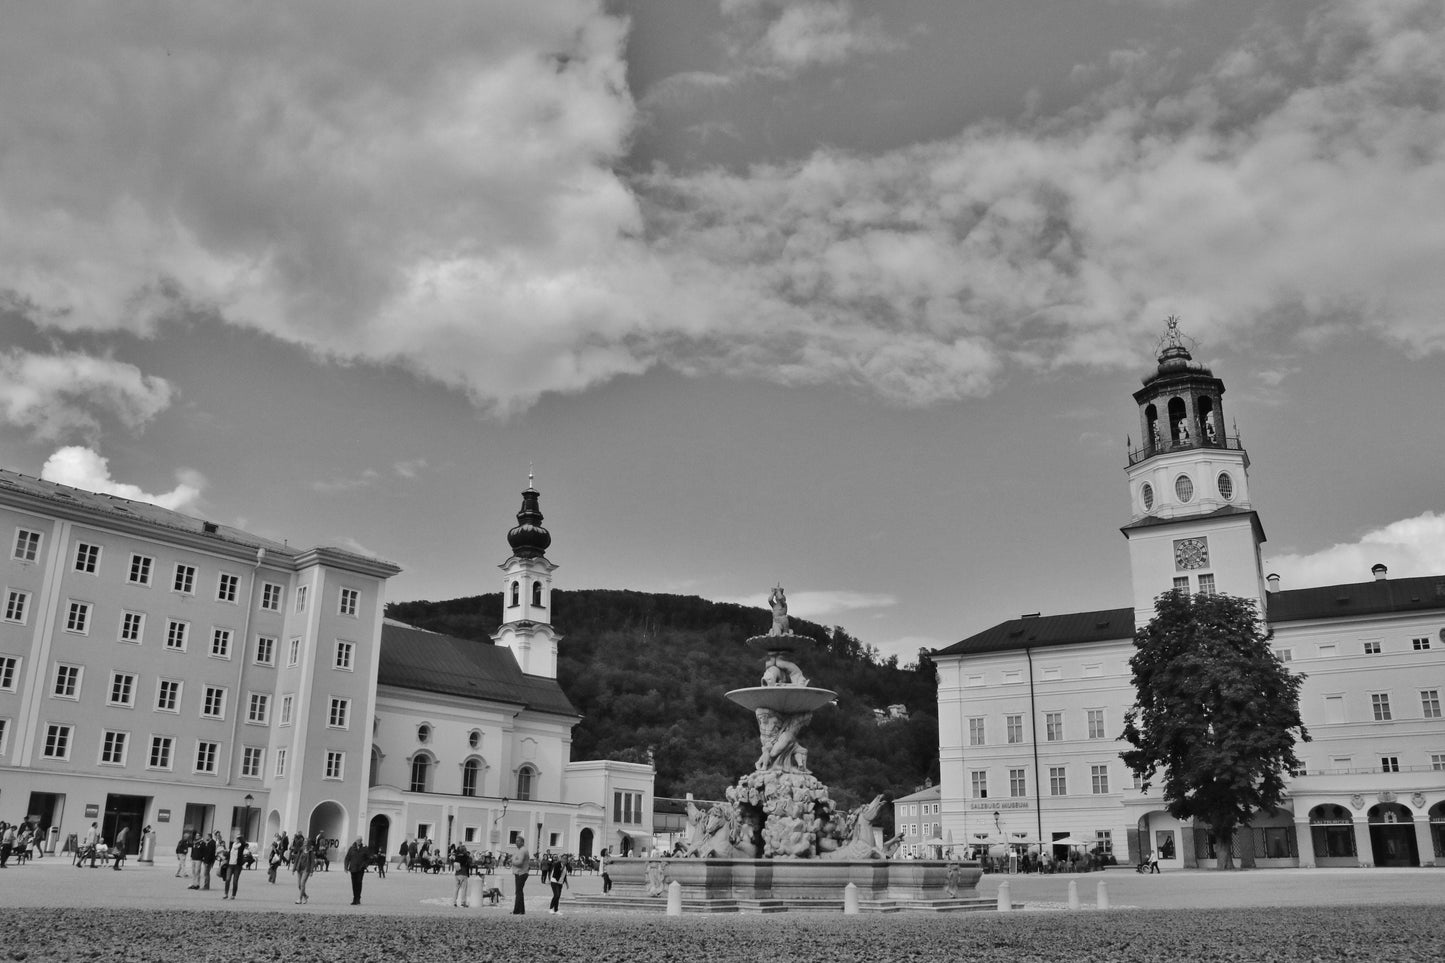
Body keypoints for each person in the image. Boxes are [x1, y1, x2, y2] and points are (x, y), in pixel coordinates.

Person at [343, 837, 368, 905]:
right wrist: (346, 867)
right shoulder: (352, 848)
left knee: (359, 882)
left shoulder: (364, 848)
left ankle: (358, 898)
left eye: (360, 840)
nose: (359, 841)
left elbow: (368, 858)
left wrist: (365, 865)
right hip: (353, 868)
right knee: (354, 884)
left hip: (361, 869)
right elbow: (347, 858)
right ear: (356, 841)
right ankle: (355, 898)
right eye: (358, 840)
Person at [510, 837, 531, 915]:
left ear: (522, 842)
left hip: (521, 873)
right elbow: (515, 858)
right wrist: (513, 859)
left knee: (518, 892)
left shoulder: (523, 850)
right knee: (519, 892)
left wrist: (512, 861)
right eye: (516, 841)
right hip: (519, 873)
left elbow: (520, 863)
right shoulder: (519, 850)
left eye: (518, 841)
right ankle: (521, 910)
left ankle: (517, 910)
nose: (516, 843)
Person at [222, 834, 245, 899]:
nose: (236, 839)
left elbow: (243, 843)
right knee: (227, 879)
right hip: (230, 864)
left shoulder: (241, 846)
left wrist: (240, 838)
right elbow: (229, 853)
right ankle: (226, 894)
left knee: (235, 881)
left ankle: (233, 895)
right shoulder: (233, 845)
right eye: (236, 838)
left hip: (237, 866)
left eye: (237, 838)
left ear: (240, 839)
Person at [293, 838, 315, 904]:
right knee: (299, 885)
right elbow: (297, 859)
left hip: (306, 869)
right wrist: (294, 868)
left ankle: (300, 899)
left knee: (302, 883)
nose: (305, 844)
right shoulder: (301, 850)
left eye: (306, 843)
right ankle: (305, 896)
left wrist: (311, 871)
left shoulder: (311, 852)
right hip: (299, 868)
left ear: (309, 844)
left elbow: (312, 862)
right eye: (304, 842)